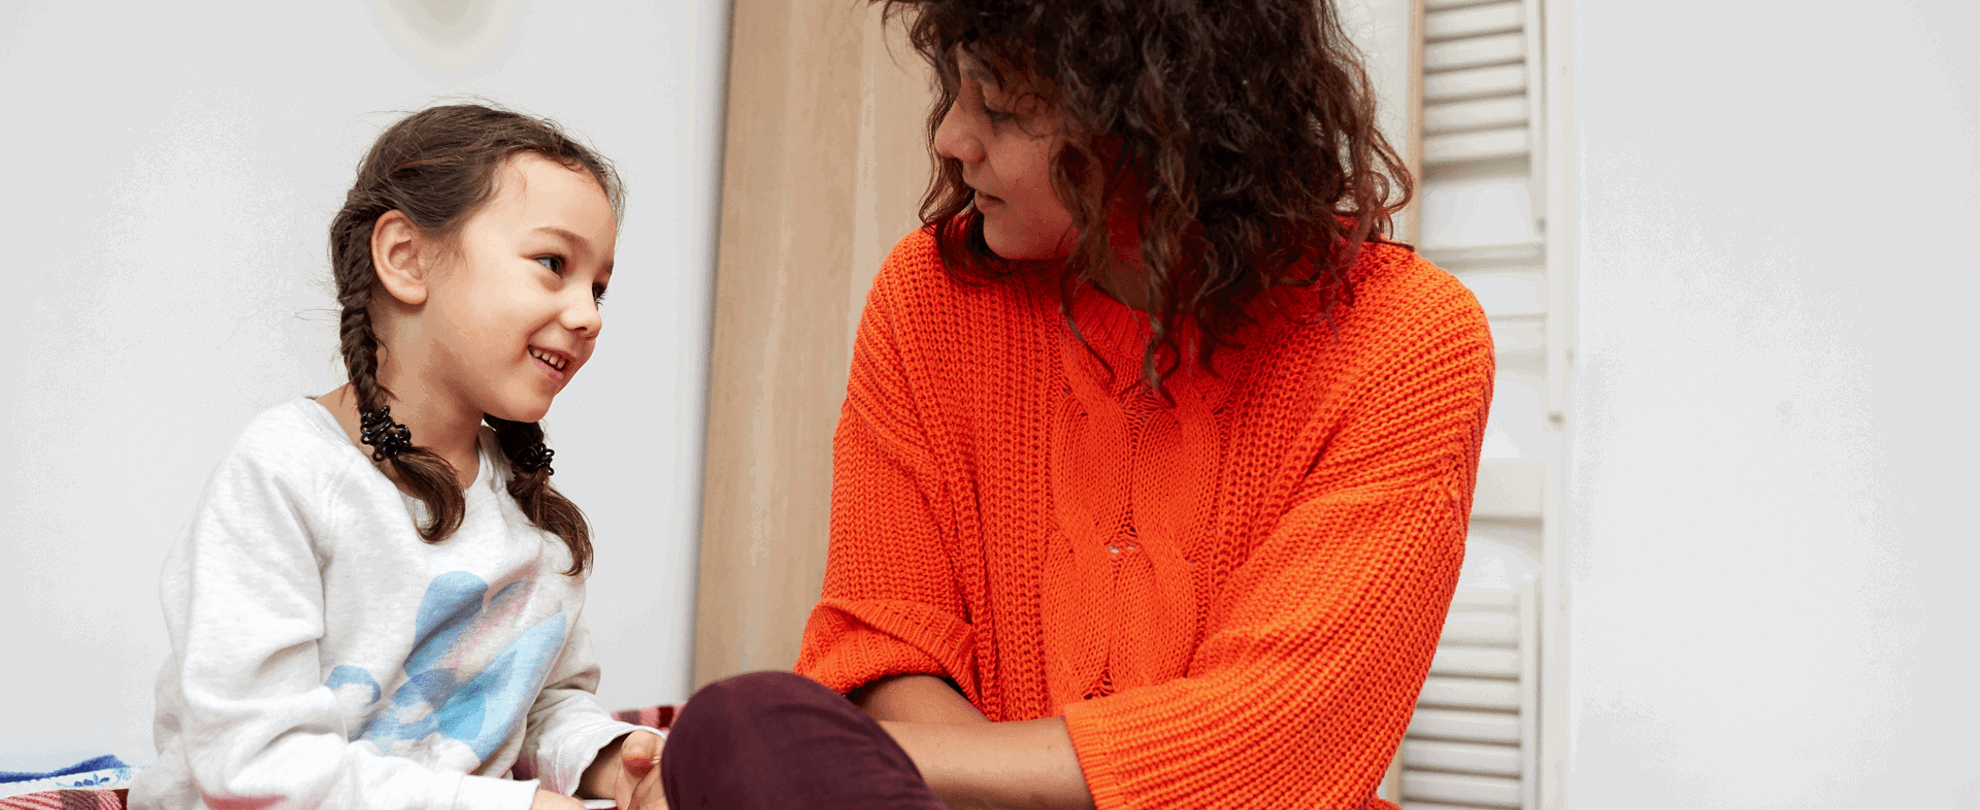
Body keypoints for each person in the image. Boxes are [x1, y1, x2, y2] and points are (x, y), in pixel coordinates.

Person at [657, 0, 1498, 808]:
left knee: (751, 734)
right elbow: (882, 647)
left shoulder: (1411, 340)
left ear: (1159, 121)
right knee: (740, 728)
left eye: (998, 107)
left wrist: (838, 753)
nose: (951, 139)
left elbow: (1274, 738)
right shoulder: (925, 298)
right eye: (954, 88)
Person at [131, 104, 665, 810]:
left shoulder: (527, 514)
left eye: (597, 287)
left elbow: (536, 707)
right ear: (406, 259)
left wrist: (606, 765)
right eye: (552, 264)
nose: (589, 314)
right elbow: (253, 763)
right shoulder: (287, 471)